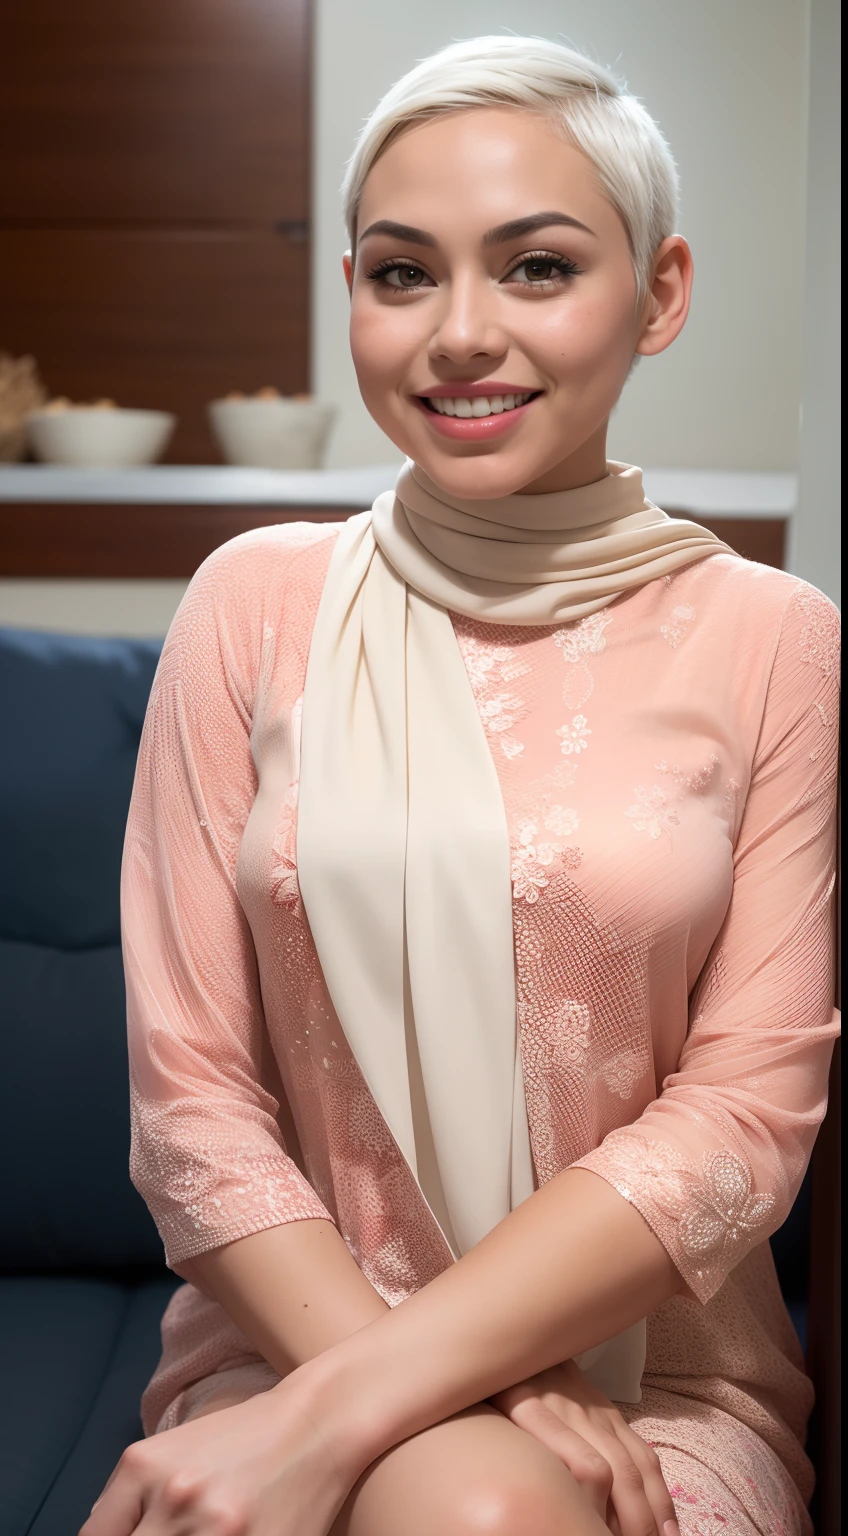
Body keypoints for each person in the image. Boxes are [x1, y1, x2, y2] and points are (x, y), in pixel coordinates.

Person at [84, 35, 840, 1536]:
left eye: (538, 268)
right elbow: (192, 1104)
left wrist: (421, 1385)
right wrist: (419, 1381)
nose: (459, 333)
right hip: (288, 1340)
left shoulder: (778, 638)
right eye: (402, 272)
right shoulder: (252, 602)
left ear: (662, 292)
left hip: (653, 1389)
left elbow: (746, 1113)